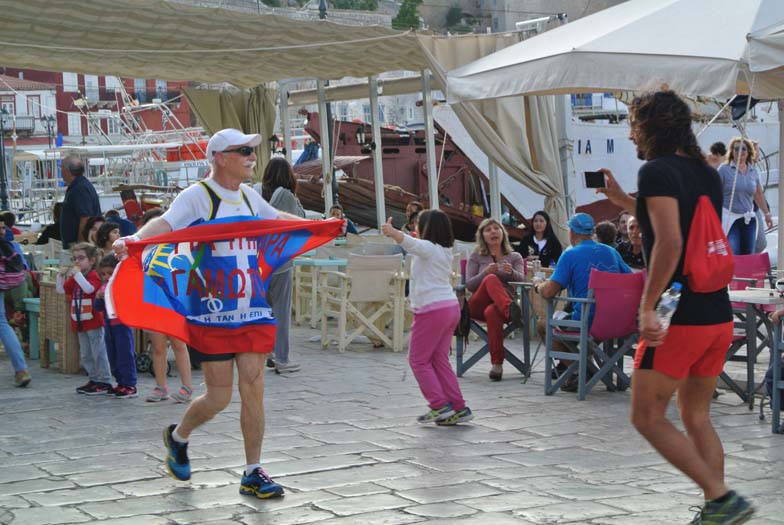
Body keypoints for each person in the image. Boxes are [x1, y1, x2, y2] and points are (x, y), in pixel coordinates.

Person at [113, 128, 322, 499]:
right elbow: (165, 224)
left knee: (254, 383)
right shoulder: (198, 196)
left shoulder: (250, 197)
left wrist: (318, 227)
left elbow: (276, 218)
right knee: (219, 397)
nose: (252, 157)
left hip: (251, 305)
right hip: (212, 310)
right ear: (220, 158)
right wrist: (135, 239)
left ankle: (253, 471)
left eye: (252, 150)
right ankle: (179, 436)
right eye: (243, 150)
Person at [598, 90, 754, 523]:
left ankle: (720, 497)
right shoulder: (706, 172)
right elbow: (680, 220)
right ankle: (716, 512)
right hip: (716, 311)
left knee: (646, 416)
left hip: (678, 315)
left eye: (633, 125)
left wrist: (648, 306)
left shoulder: (655, 171)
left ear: (650, 127)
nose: (631, 135)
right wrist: (624, 203)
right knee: (696, 415)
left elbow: (670, 241)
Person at [381, 211, 473, 425]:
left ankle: (439, 405)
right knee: (439, 359)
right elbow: (414, 244)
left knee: (418, 360)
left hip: (432, 310)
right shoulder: (445, 251)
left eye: (418, 224)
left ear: (426, 228)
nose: (415, 228)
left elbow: (411, 244)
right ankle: (458, 407)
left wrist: (393, 232)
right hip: (449, 307)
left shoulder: (428, 248)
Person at [534, 213, 631, 392]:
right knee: (576, 321)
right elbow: (630, 279)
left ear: (571, 232)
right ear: (591, 231)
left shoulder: (570, 254)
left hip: (587, 322)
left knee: (543, 324)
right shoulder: (611, 252)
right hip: (615, 321)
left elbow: (549, 291)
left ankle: (580, 368)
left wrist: (538, 285)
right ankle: (588, 369)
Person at [134, 208, 194, 405]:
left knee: (179, 344)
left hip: (174, 302)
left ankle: (187, 387)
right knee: (157, 346)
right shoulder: (142, 250)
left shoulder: (177, 247)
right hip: (153, 302)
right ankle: (161, 387)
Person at [257, 157, 305, 374]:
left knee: (263, 310)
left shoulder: (255, 192)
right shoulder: (286, 196)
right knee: (281, 311)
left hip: (257, 261)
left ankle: (266, 351)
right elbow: (299, 220)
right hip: (281, 262)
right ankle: (282, 358)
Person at [465, 218, 525, 381]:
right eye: (488, 230)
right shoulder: (476, 257)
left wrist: (512, 272)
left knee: (492, 312)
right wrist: (485, 273)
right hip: (478, 303)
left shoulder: (515, 256)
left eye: (496, 228)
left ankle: (497, 364)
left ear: (502, 233)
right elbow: (469, 285)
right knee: (490, 278)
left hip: (497, 307)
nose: (493, 232)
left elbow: (523, 280)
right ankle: (509, 309)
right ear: (482, 236)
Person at [57, 242, 113, 395]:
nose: (77, 262)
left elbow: (89, 289)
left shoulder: (94, 275)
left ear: (92, 260)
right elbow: (62, 290)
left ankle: (105, 380)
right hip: (80, 321)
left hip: (93, 321)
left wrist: (77, 275)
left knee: (98, 352)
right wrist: (60, 276)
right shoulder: (77, 277)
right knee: (86, 353)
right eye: (74, 258)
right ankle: (93, 379)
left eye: (81, 258)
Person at [718, 137, 773, 255]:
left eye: (743, 148)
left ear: (748, 152)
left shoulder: (753, 171)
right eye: (736, 148)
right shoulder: (724, 169)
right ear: (732, 151)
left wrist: (767, 214)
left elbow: (758, 194)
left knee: (749, 253)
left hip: (748, 219)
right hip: (730, 218)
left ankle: (747, 268)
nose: (740, 151)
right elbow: (714, 190)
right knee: (733, 251)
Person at [95, 254, 137, 398]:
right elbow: (98, 308)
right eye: (103, 274)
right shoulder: (103, 287)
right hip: (109, 327)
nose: (106, 277)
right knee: (112, 356)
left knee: (125, 355)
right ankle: (120, 382)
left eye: (110, 273)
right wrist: (98, 297)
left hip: (122, 326)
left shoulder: (123, 285)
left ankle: (129, 384)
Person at [60, 156, 101, 249]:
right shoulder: (79, 185)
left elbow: (85, 217)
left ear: (67, 170)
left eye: (61, 168)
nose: (61, 171)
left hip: (79, 245)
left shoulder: (79, 188)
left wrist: (81, 245)